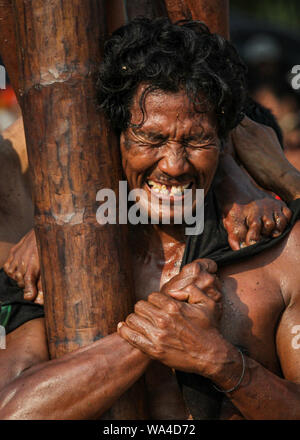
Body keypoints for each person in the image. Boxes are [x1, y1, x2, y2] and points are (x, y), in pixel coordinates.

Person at [1, 17, 300, 420]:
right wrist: (152, 336)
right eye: (152, 139)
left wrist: (222, 363)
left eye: (196, 140)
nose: (175, 166)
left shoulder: (281, 253)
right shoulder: (53, 263)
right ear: (115, 137)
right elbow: (13, 411)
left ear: (223, 142)